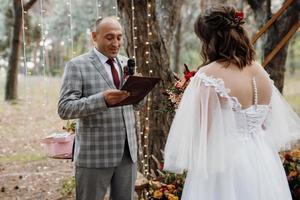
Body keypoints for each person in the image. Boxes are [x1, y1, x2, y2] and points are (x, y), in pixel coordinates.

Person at [163, 5, 300, 200]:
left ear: (209, 39)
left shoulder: (208, 75)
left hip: (224, 164)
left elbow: (205, 134)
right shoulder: (259, 71)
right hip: (263, 160)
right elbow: (268, 121)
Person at [58, 16, 144, 200]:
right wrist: (102, 100)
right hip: (94, 154)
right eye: (110, 37)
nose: (116, 43)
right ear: (94, 36)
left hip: (127, 154)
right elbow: (64, 108)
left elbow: (136, 105)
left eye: (119, 37)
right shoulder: (77, 65)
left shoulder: (125, 62)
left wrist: (140, 90)